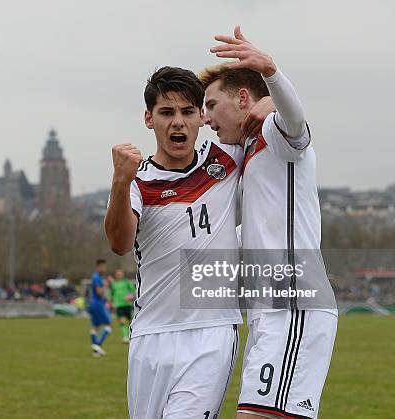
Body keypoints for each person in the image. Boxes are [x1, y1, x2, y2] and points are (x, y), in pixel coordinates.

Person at [105, 65, 268, 419]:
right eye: (166, 112)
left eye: (187, 111)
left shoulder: (227, 159)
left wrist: (268, 96)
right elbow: (119, 243)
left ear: (201, 117)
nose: (177, 122)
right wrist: (119, 182)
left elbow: (285, 126)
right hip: (151, 335)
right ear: (149, 119)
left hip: (212, 333)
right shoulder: (137, 182)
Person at [200, 26, 338, 419]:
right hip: (269, 310)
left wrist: (271, 72)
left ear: (244, 98)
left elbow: (295, 121)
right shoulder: (248, 152)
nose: (207, 117)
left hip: (295, 302)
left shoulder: (272, 131)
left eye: (211, 105)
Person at [88, 259, 112, 356]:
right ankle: (98, 345)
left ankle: (95, 352)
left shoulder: (95, 276)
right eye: (103, 267)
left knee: (95, 327)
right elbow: (99, 292)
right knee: (108, 325)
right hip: (97, 304)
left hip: (93, 303)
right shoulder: (97, 277)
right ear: (98, 267)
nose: (104, 269)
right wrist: (106, 285)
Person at [108, 269, 136, 343]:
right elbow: (111, 294)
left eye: (120, 274)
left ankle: (132, 335)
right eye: (117, 274)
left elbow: (133, 291)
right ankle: (125, 337)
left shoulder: (126, 282)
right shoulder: (113, 284)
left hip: (127, 304)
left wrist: (130, 296)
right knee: (122, 321)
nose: (119, 275)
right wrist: (110, 302)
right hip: (118, 305)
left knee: (130, 321)